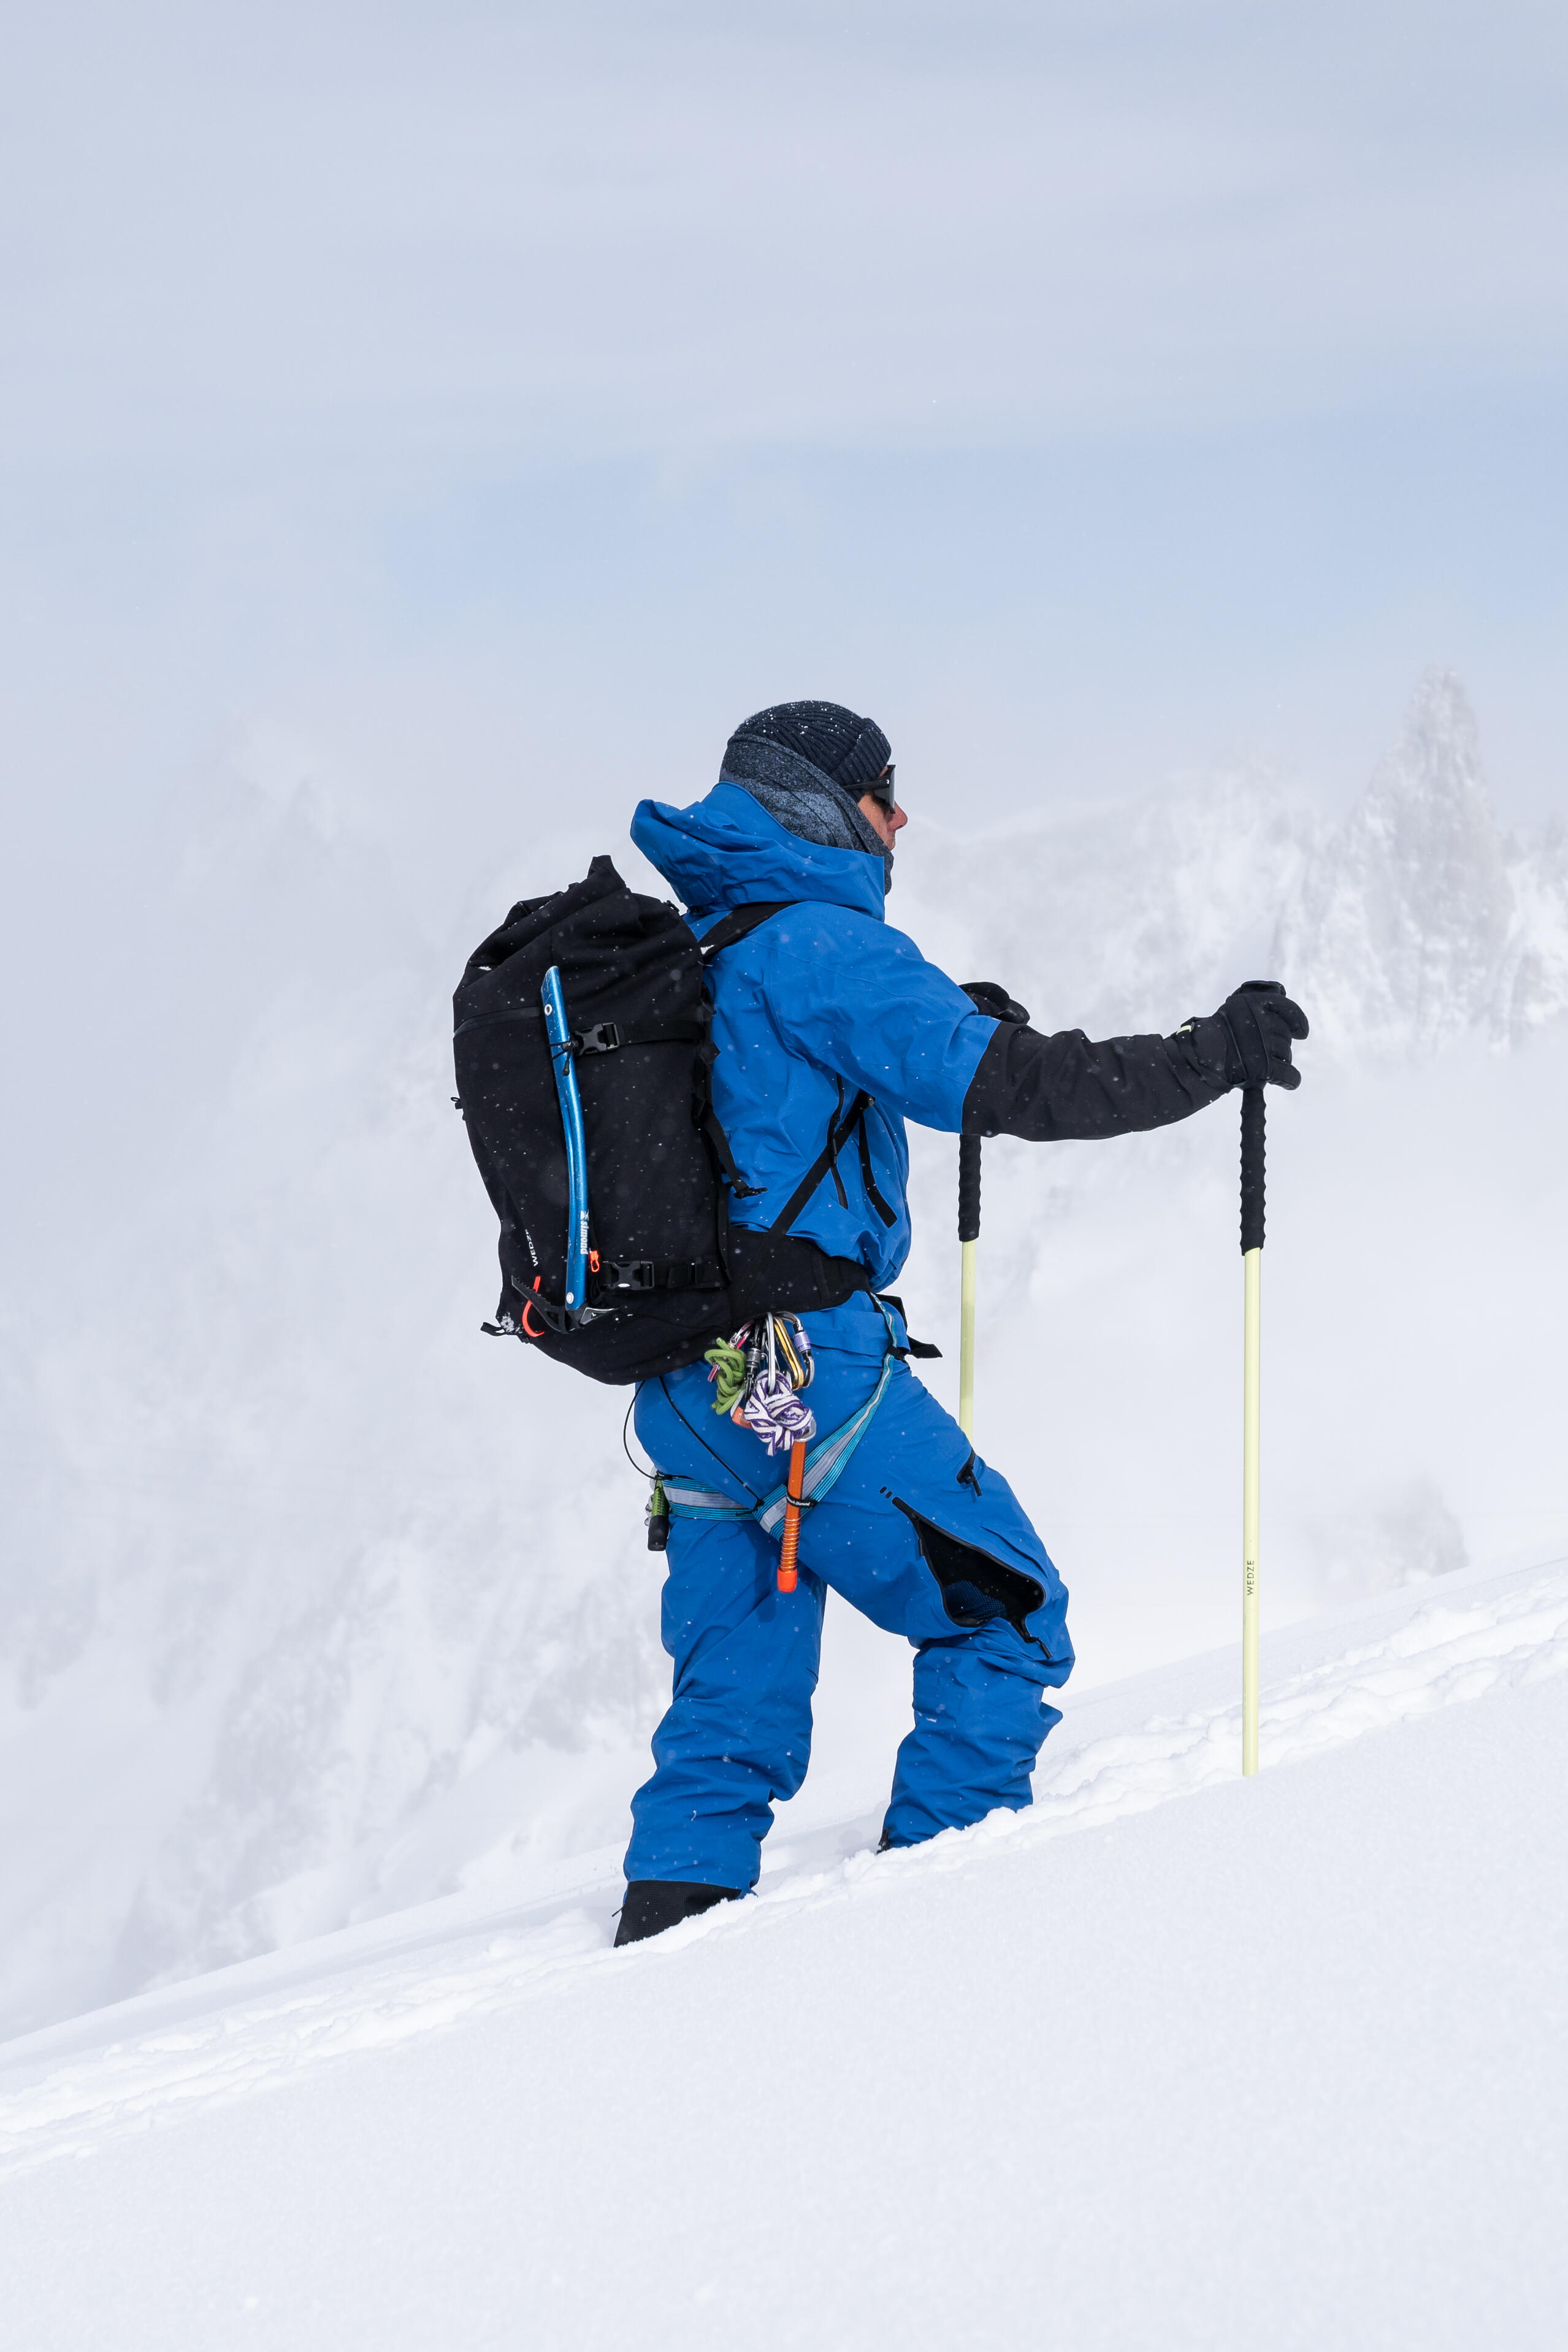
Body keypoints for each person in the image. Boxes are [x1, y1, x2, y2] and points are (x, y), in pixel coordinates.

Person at [616, 700, 1307, 1945]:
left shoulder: (706, 943)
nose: (902, 820)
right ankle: (931, 1941)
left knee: (728, 1705)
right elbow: (1019, 1088)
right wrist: (1208, 1056)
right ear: (819, 806)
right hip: (810, 1372)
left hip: (685, 1388)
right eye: (883, 795)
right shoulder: (823, 944)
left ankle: (657, 1954)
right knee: (1007, 1614)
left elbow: (773, 1105)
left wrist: (943, 1021)